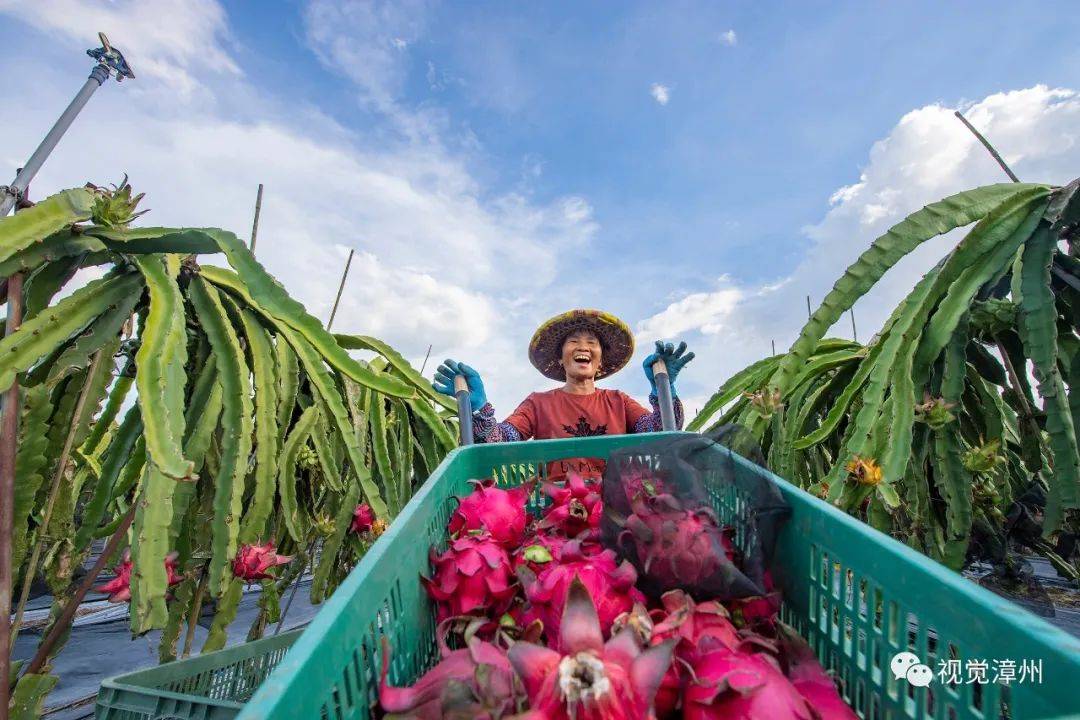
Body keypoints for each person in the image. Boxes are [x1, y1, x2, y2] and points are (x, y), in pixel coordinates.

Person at [432, 308, 694, 480]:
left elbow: (660, 432)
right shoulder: (538, 403)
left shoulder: (618, 401)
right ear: (561, 359)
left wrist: (665, 389)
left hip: (618, 505)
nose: (583, 347)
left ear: (600, 361)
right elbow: (500, 442)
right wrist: (480, 409)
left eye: (592, 343)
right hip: (554, 507)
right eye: (574, 342)